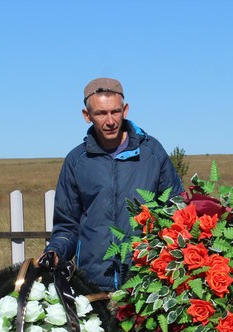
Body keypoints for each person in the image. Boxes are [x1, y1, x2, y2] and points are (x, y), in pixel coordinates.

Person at [40, 77, 183, 291]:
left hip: (146, 282)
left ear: (125, 110)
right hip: (92, 285)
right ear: (86, 116)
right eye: (100, 113)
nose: (110, 121)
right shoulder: (77, 161)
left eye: (115, 112)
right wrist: (55, 252)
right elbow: (67, 226)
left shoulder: (152, 153)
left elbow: (177, 212)